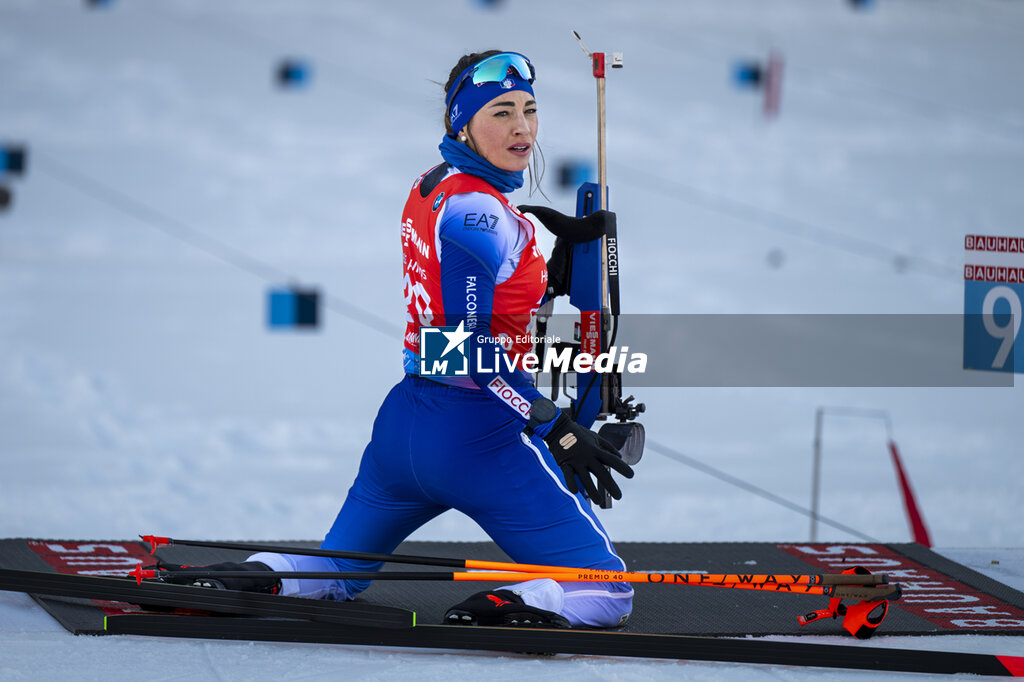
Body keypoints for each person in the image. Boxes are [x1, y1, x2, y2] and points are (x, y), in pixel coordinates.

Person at [166, 50, 635, 629]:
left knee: (337, 568)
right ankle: (507, 603)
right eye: (501, 112)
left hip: (405, 427)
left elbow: (452, 308)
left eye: (530, 110)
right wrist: (552, 425)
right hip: (479, 434)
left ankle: (251, 576)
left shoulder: (434, 185)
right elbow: (464, 347)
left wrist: (538, 270)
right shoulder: (478, 214)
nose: (522, 128)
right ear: (462, 123)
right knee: (607, 590)